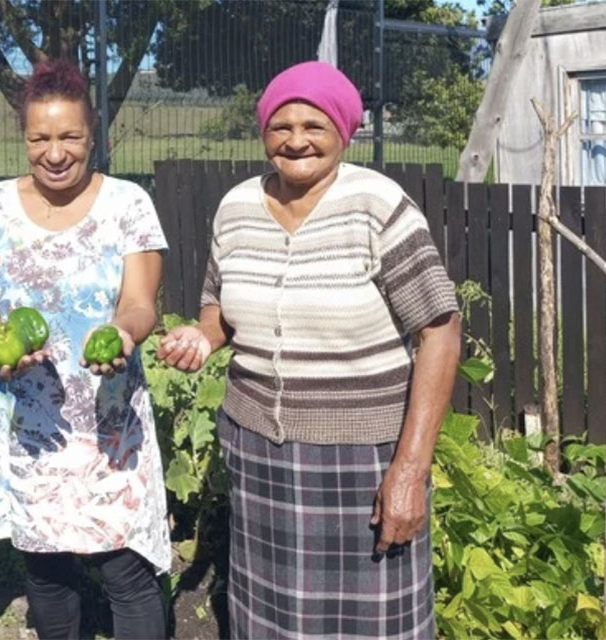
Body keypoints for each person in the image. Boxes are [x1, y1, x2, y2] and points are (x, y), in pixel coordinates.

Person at [156, 61, 461, 639]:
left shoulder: (378, 204)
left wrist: (410, 471)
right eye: (281, 125)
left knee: (373, 622)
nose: (296, 140)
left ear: (343, 131)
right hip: (259, 455)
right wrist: (201, 335)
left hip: (363, 458)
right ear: (264, 132)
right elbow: (218, 307)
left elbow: (440, 329)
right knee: (275, 619)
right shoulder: (236, 206)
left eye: (314, 125)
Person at [0, 59, 170, 640]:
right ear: (25, 138)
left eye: (70, 137)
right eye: (40, 138)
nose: (55, 152)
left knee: (124, 571)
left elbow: (140, 303)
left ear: (92, 134)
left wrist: (125, 334)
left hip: (109, 421)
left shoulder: (128, 203)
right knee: (47, 573)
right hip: (31, 423)